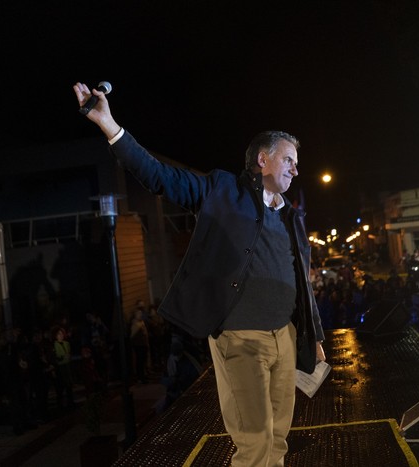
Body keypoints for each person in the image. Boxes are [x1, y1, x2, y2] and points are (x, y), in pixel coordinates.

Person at [73, 82, 325, 467]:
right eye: (289, 159)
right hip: (242, 338)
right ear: (262, 160)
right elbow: (159, 176)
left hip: (285, 338)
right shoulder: (222, 190)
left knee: (277, 439)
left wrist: (314, 336)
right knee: (254, 442)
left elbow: (301, 281)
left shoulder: (291, 215)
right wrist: (109, 125)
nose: (296, 167)